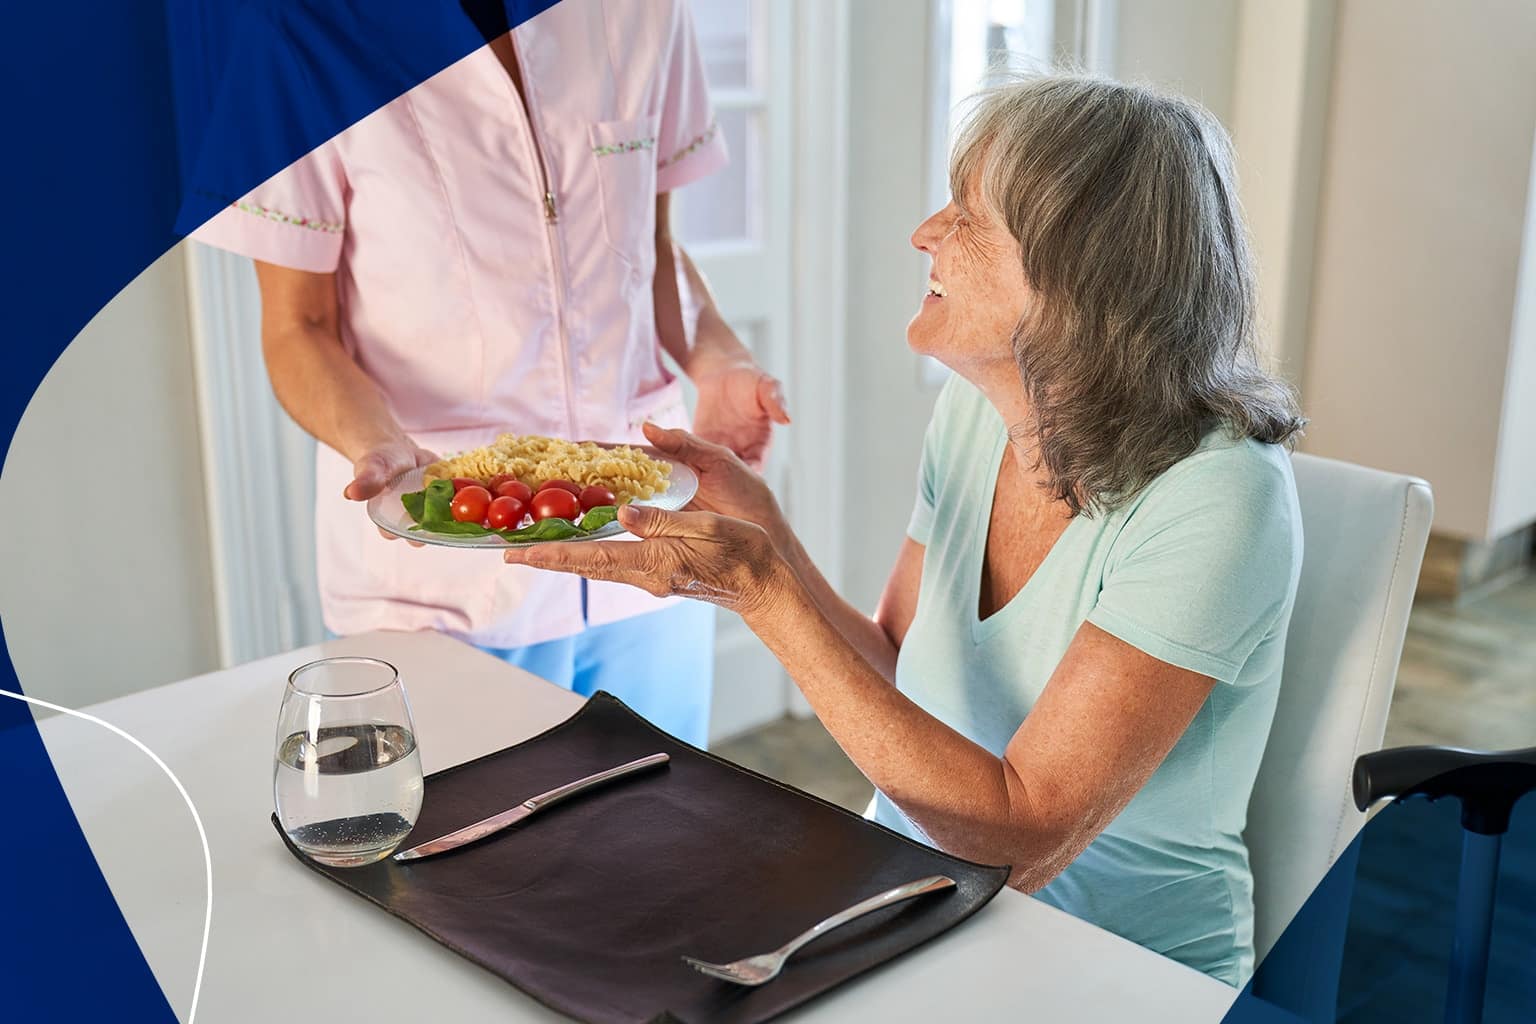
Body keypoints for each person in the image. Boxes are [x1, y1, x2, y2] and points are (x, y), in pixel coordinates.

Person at [499, 74, 1306, 986]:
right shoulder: (980, 416)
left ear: (1080, 275)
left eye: (967, 216)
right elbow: (897, 669)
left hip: (1119, 971)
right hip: (915, 906)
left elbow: (1024, 844)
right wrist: (768, 535)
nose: (925, 233)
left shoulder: (1218, 497)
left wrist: (762, 595)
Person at [189, 0, 787, 746]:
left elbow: (655, 247)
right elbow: (297, 326)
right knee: (467, 851)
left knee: (662, 840)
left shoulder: (642, 11)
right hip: (448, 563)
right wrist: (376, 442)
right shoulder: (296, 32)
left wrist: (718, 357)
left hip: (642, 550)